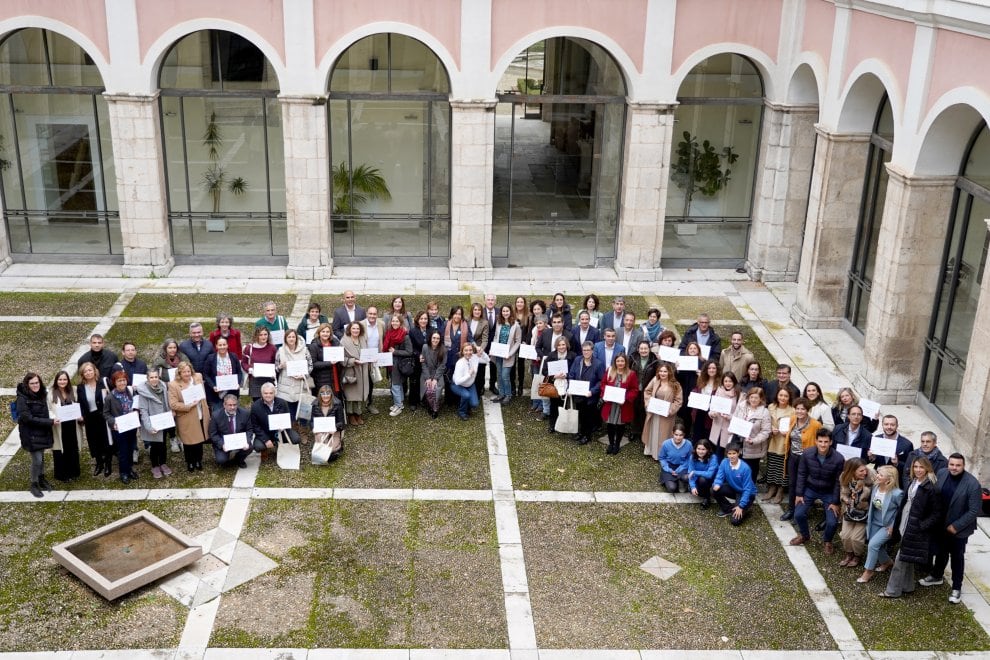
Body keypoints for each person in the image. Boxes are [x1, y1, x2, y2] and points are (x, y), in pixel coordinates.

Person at [920, 453, 983, 604]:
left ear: (963, 466)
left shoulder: (973, 484)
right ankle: (936, 576)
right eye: (952, 464)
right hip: (941, 524)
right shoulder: (942, 473)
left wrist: (956, 526)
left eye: (957, 465)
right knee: (941, 552)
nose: (954, 468)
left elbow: (974, 511)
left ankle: (956, 588)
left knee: (957, 558)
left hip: (958, 529)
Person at [882, 457, 942, 598]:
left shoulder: (932, 487)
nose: (918, 470)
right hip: (905, 522)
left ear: (927, 468)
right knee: (907, 557)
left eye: (921, 467)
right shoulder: (913, 481)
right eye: (915, 467)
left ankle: (892, 591)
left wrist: (922, 526)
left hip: (915, 528)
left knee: (900, 559)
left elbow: (937, 513)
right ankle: (908, 586)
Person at [791, 428, 845, 553]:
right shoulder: (807, 454)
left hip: (829, 492)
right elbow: (802, 474)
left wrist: (835, 502)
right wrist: (799, 494)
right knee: (798, 514)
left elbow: (838, 482)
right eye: (820, 441)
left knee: (832, 521)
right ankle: (804, 535)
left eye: (826, 442)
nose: (823, 444)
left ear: (831, 442)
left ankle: (827, 541)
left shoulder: (838, 458)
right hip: (811, 488)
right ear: (816, 441)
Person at [858, 465, 903, 583]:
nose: (877, 476)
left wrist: (894, 526)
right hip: (874, 522)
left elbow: (901, 512)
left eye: (880, 475)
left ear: (889, 479)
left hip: (887, 525)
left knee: (872, 545)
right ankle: (887, 562)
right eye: (878, 473)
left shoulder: (897, 494)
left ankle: (868, 571)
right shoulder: (876, 487)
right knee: (876, 545)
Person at [780, 398, 823, 520]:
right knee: (792, 484)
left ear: (807, 410)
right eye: (797, 408)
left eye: (802, 409)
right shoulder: (793, 419)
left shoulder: (815, 424)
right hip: (793, 457)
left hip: (807, 459)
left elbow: (821, 441)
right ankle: (791, 510)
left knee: (803, 485)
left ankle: (801, 512)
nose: (799, 411)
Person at [16, 372, 55, 497]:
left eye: (37, 382)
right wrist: (49, 422)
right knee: (37, 460)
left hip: (42, 431)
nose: (35, 385)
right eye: (32, 383)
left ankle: (41, 478)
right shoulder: (22, 399)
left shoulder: (42, 394)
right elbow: (28, 418)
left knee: (42, 457)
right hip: (31, 434)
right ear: (27, 384)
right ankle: (34, 483)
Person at [167, 361, 211, 472]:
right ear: (179, 373)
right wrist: (188, 405)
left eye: (188, 371)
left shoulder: (198, 377)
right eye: (184, 372)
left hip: (201, 412)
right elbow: (173, 404)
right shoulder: (173, 384)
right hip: (186, 415)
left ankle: (198, 460)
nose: (187, 374)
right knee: (189, 441)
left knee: (200, 438)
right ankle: (190, 462)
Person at [135, 367, 173, 478]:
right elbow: (144, 411)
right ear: (147, 379)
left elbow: (166, 403)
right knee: (155, 446)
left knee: (163, 444)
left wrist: (170, 414)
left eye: (156, 377)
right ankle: (155, 465)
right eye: (151, 377)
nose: (154, 379)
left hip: (164, 421)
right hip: (153, 423)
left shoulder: (163, 387)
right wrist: (149, 427)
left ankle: (163, 463)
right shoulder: (144, 392)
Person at [103, 369, 139, 484]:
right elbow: (106, 413)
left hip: (131, 425)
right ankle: (123, 473)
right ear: (114, 382)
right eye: (119, 381)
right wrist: (113, 422)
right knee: (123, 451)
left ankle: (130, 469)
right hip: (119, 428)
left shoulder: (129, 391)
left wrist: (136, 411)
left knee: (131, 449)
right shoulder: (110, 397)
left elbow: (135, 404)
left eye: (123, 380)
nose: (122, 383)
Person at [77, 361, 112, 476]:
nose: (88, 373)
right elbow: (80, 404)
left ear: (94, 371)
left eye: (90, 370)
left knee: (105, 440)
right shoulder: (81, 387)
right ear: (82, 374)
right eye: (85, 371)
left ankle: (108, 463)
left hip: (102, 415)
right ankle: (99, 463)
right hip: (89, 417)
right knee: (93, 441)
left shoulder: (103, 383)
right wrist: (81, 415)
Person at [838, 458, 874, 568]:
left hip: (863, 512)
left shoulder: (871, 479)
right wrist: (846, 499)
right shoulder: (844, 477)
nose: (865, 472)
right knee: (845, 535)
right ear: (852, 471)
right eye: (861, 471)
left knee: (856, 538)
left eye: (865, 470)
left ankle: (857, 555)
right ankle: (849, 554)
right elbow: (843, 492)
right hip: (849, 510)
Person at [641, 362, 682, 459]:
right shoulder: (655, 380)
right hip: (654, 412)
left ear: (669, 373)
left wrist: (670, 410)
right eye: (661, 371)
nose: (662, 373)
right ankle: (650, 450)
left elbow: (678, 401)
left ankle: (660, 454)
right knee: (653, 431)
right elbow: (647, 391)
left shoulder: (676, 385)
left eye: (665, 371)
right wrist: (648, 403)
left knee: (663, 434)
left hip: (666, 414)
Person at [600, 353, 638, 455]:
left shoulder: (631, 374)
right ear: (615, 362)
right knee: (610, 424)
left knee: (620, 425)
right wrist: (606, 394)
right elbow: (603, 384)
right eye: (618, 361)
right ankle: (611, 443)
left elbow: (634, 389)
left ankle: (617, 444)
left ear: (625, 362)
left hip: (622, 405)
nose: (620, 363)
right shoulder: (609, 371)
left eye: (622, 361)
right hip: (611, 404)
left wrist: (625, 397)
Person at [712, 441, 758, 525]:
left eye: (734, 453)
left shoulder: (745, 468)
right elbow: (719, 476)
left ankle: (745, 508)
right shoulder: (724, 462)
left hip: (746, 493)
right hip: (734, 488)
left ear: (738, 453)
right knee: (714, 489)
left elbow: (747, 489)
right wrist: (717, 483)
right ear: (726, 454)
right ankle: (728, 509)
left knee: (735, 521)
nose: (732, 456)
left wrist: (741, 506)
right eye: (729, 453)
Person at [568, 341, 605, 445]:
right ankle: (581, 432)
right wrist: (570, 386)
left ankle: (587, 436)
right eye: (584, 350)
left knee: (589, 416)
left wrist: (592, 391)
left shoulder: (598, 364)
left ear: (592, 351)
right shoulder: (577, 360)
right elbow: (571, 374)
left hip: (590, 396)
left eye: (588, 350)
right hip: (578, 394)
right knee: (580, 414)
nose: (586, 352)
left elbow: (601, 381)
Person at [249, 382, 301, 455]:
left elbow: (288, 418)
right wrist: (266, 440)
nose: (268, 395)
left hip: (282, 431)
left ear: (274, 393)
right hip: (265, 432)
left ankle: (281, 445)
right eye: (265, 393)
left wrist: (285, 426)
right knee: (258, 447)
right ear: (261, 393)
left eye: (271, 393)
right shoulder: (255, 406)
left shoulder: (282, 403)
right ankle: (269, 446)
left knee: (296, 439)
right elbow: (255, 426)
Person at [49, 370, 81, 482]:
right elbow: (48, 409)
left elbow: (79, 406)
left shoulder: (73, 391)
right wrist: (53, 418)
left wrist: (80, 416)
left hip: (72, 425)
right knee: (60, 449)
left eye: (65, 379)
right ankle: (62, 474)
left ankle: (73, 472)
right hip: (59, 425)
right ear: (56, 381)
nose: (62, 381)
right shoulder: (51, 393)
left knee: (72, 448)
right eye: (60, 379)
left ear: (68, 380)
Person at [275, 329, 313, 422]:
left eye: (293, 337)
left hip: (300, 383)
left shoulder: (304, 350)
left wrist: (304, 375)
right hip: (285, 385)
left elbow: (310, 366)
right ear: (285, 339)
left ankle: (302, 429)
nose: (291, 339)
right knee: (289, 410)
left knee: (302, 408)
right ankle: (292, 430)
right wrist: (280, 366)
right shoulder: (280, 351)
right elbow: (275, 369)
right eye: (289, 337)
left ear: (296, 338)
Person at [764, 388, 795, 504]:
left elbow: (795, 427)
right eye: (781, 395)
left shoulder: (792, 410)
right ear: (777, 396)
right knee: (772, 464)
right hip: (772, 439)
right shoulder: (771, 407)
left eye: (785, 396)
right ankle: (772, 487)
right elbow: (766, 421)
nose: (782, 398)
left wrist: (788, 432)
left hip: (784, 441)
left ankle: (780, 490)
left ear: (789, 398)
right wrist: (771, 428)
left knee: (782, 467)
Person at [734, 387, 772, 480]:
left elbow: (766, 431)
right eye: (751, 397)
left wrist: (753, 441)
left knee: (751, 470)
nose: (753, 400)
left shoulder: (764, 412)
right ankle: (738, 488)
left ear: (761, 399)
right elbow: (735, 419)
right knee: (738, 467)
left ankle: (750, 490)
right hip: (739, 443)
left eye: (756, 398)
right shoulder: (741, 406)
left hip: (754, 447)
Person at [207, 393, 253, 468]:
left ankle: (238, 459)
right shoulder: (216, 416)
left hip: (239, 441)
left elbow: (249, 429)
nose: (232, 407)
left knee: (250, 447)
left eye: (234, 405)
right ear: (224, 405)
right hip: (224, 442)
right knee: (221, 460)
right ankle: (226, 457)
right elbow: (213, 434)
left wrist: (247, 441)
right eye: (230, 405)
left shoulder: (245, 414)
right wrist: (222, 444)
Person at [868, 415, 914, 485]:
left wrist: (897, 463)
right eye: (886, 424)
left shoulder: (907, 444)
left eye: (892, 425)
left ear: (897, 426)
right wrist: (872, 458)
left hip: (896, 483)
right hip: (878, 481)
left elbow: (909, 468)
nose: (889, 427)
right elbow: (870, 463)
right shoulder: (876, 440)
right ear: (882, 425)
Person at [340, 321, 371, 426]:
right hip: (351, 371)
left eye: (357, 329)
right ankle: (351, 415)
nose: (356, 330)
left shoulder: (363, 339)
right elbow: (341, 358)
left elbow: (367, 353)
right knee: (351, 395)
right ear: (349, 329)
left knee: (361, 393)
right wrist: (353, 361)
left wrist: (372, 358)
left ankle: (359, 413)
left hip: (363, 370)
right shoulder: (343, 341)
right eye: (353, 328)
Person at [202, 336, 244, 412]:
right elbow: (205, 374)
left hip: (232, 392)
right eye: (220, 345)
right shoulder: (211, 358)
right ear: (216, 346)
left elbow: (239, 372)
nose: (222, 347)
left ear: (227, 345)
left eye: (224, 344)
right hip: (217, 394)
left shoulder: (234, 357)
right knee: (218, 416)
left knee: (232, 414)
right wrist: (213, 386)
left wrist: (238, 383)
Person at [383, 314, 414, 416]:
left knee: (395, 385)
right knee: (397, 384)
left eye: (397, 321)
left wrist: (395, 352)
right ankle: (399, 402)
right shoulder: (389, 333)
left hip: (399, 364)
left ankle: (398, 405)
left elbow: (409, 352)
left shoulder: (405, 335)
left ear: (401, 323)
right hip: (390, 363)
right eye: (393, 321)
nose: (394, 323)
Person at [628, 340, 659, 444]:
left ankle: (643, 432)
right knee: (634, 409)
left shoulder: (655, 360)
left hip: (647, 390)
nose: (643, 350)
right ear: (638, 349)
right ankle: (633, 430)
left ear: (649, 349)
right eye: (641, 348)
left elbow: (657, 375)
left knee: (644, 411)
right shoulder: (632, 358)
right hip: (634, 388)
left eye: (645, 348)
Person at [492, 304, 522, 404]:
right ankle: (501, 394)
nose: (505, 313)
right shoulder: (499, 322)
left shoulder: (516, 325)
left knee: (505, 376)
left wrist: (510, 353)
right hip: (498, 353)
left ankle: (508, 395)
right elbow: (496, 336)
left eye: (507, 311)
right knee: (499, 375)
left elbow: (518, 341)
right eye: (503, 311)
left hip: (508, 355)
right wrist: (494, 349)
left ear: (511, 312)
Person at [543, 336, 574, 433]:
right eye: (559, 345)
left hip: (567, 384)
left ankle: (562, 425)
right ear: (556, 346)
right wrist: (554, 376)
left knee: (564, 405)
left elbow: (575, 371)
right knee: (553, 405)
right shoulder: (551, 355)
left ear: (567, 345)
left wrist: (567, 375)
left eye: (563, 344)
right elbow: (545, 370)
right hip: (554, 385)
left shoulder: (573, 356)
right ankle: (552, 425)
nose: (561, 347)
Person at [360, 306, 386, 414]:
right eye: (370, 313)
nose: (372, 316)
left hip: (374, 359)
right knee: (361, 382)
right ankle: (359, 405)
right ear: (366, 314)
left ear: (377, 315)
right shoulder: (360, 325)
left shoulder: (381, 324)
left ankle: (369, 403)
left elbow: (382, 339)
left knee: (371, 382)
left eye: (374, 314)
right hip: (362, 358)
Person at [708, 373, 740, 459]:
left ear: (734, 382)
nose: (728, 383)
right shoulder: (719, 391)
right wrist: (712, 414)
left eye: (730, 381)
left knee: (725, 453)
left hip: (729, 428)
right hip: (717, 426)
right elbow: (712, 408)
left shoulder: (739, 394)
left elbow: (740, 415)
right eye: (725, 381)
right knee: (715, 451)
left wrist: (729, 416)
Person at [242, 326, 277, 400]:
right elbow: (244, 363)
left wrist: (274, 371)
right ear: (256, 335)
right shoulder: (249, 348)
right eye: (261, 335)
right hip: (255, 382)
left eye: (265, 334)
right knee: (258, 404)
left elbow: (275, 363)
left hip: (268, 380)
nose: (263, 337)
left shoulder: (272, 348)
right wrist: (250, 369)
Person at [311, 386, 345, 462]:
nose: (325, 395)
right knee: (322, 449)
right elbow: (312, 421)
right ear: (320, 395)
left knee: (330, 451)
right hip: (321, 431)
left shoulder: (337, 404)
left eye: (328, 393)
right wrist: (313, 428)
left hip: (333, 431)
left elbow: (341, 423)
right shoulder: (315, 404)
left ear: (331, 394)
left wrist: (334, 428)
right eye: (323, 393)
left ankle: (339, 445)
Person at [689, 360, 720, 442]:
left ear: (717, 370)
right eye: (709, 368)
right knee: (697, 433)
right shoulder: (702, 379)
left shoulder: (720, 383)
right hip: (699, 410)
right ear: (706, 370)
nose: (711, 370)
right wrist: (692, 395)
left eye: (714, 368)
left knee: (707, 434)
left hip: (711, 412)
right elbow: (696, 389)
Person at [443, 306, 468, 403]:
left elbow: (469, 338)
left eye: (459, 314)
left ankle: (457, 398)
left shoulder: (465, 325)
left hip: (459, 357)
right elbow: (441, 338)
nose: (457, 316)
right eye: (455, 313)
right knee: (448, 377)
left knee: (458, 378)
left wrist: (476, 347)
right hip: (448, 357)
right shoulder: (446, 324)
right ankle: (448, 399)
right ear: (452, 314)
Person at [309, 322, 341, 398]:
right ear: (319, 333)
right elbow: (313, 364)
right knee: (325, 399)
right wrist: (329, 363)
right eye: (323, 332)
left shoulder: (335, 343)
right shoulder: (314, 346)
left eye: (327, 332)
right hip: (322, 378)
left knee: (335, 399)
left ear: (330, 333)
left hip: (335, 375)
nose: (325, 334)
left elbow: (339, 356)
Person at [658, 424, 692, 493]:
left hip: (682, 466)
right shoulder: (666, 444)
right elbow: (662, 458)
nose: (678, 437)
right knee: (672, 488)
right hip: (669, 466)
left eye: (681, 435)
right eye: (676, 434)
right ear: (672, 433)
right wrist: (668, 469)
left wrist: (680, 469)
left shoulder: (688, 444)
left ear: (684, 435)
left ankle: (681, 481)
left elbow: (689, 459)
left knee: (686, 478)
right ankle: (674, 480)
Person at [420, 330, 447, 419]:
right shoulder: (425, 347)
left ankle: (435, 408)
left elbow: (442, 366)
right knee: (427, 389)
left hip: (438, 373)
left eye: (438, 338)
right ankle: (429, 405)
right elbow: (423, 364)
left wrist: (435, 379)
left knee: (436, 389)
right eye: (434, 338)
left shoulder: (443, 349)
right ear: (430, 338)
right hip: (427, 372)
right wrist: (428, 378)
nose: (435, 340)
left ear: (440, 339)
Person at [450, 343, 480, 421]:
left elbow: (487, 360)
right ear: (462, 352)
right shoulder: (460, 363)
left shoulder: (474, 358)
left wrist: (482, 353)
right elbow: (457, 381)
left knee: (475, 404)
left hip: (470, 384)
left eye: (470, 350)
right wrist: (469, 374)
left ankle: (467, 405)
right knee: (466, 395)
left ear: (473, 351)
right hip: (457, 385)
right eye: (466, 350)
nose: (468, 352)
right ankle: (461, 412)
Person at [408, 312, 431, 411]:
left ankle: (424, 399)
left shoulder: (432, 330)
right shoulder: (413, 331)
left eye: (425, 319)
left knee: (426, 380)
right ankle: (413, 401)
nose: (423, 321)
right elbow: (411, 347)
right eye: (421, 318)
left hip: (429, 360)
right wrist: (418, 355)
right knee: (415, 381)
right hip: (417, 360)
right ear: (417, 320)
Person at [467, 302, 491, 397]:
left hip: (479, 351)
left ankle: (479, 390)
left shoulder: (484, 322)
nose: (477, 311)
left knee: (480, 373)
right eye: (475, 309)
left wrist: (481, 349)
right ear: (472, 311)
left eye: (479, 310)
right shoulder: (467, 320)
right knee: (469, 371)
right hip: (468, 350)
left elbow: (485, 339)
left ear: (481, 311)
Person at [688, 439, 720, 508]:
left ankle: (707, 498)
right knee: (691, 489)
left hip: (712, 480)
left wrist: (695, 472)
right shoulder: (692, 457)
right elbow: (690, 474)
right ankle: (705, 492)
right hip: (699, 479)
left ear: (708, 450)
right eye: (698, 448)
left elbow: (709, 475)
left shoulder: (713, 457)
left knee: (702, 479)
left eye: (703, 449)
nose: (700, 451)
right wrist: (693, 487)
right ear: (695, 448)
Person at [512, 296, 530, 397]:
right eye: (518, 302)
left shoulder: (528, 316)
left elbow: (529, 331)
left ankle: (520, 386)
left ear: (524, 304)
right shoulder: (512, 315)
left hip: (523, 344)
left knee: (521, 365)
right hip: (513, 343)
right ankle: (513, 386)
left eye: (521, 302)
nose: (519, 304)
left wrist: (526, 342)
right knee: (512, 364)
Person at [482, 293, 499, 394]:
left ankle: (493, 385)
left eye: (492, 300)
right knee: (482, 364)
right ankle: (481, 386)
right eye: (488, 299)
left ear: (495, 301)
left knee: (494, 365)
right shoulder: (480, 311)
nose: (490, 301)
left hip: (495, 344)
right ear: (485, 301)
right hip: (483, 343)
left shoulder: (499, 311)